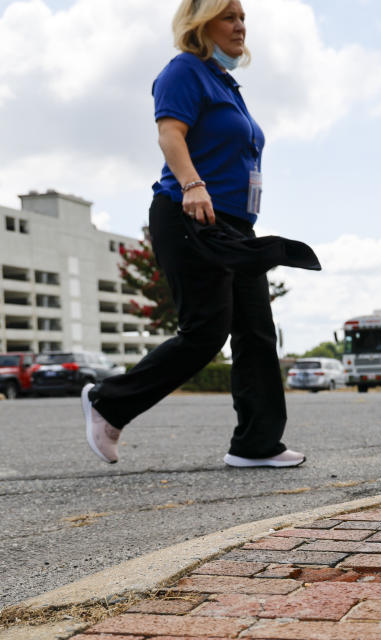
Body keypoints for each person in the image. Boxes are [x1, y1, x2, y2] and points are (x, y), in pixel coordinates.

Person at [82, 0, 316, 468]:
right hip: (188, 215)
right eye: (229, 16)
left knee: (255, 332)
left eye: (243, 18)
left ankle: (255, 443)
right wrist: (193, 184)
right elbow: (170, 133)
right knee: (206, 331)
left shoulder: (225, 83)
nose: (240, 26)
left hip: (234, 227)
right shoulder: (183, 71)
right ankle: (108, 403)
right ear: (200, 22)